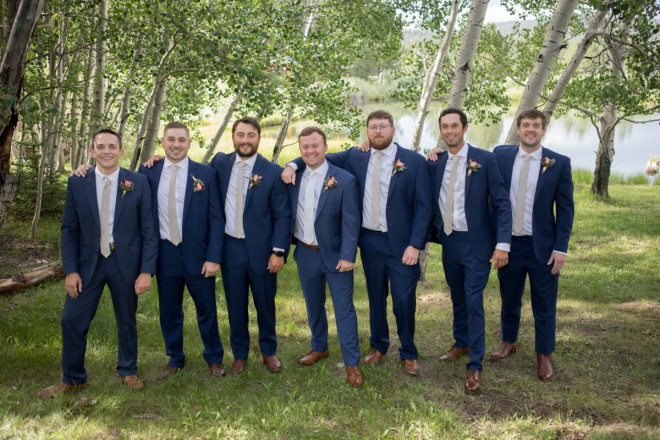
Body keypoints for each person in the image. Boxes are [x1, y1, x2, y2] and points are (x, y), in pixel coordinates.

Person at [282, 110, 432, 376]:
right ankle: (379, 346)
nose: (377, 132)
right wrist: (292, 165)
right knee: (376, 297)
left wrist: (415, 244)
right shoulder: (356, 156)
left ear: (393, 130)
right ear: (367, 131)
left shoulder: (413, 161)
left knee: (403, 300)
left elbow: (424, 207)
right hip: (370, 241)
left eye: (382, 127)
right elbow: (316, 156)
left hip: (402, 244)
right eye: (372, 127)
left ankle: (408, 351)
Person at [37, 129, 158, 397]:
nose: (106, 151)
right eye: (100, 147)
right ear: (92, 151)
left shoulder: (137, 181)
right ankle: (73, 377)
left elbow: (149, 229)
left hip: (125, 262)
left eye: (112, 146)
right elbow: (69, 229)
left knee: (126, 320)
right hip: (87, 264)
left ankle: (128, 370)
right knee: (71, 320)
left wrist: (146, 271)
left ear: (120, 150)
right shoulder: (78, 182)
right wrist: (71, 270)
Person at [427, 108, 511, 392]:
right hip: (450, 242)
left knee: (474, 300)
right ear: (440, 130)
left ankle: (475, 364)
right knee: (458, 295)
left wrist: (502, 244)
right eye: (445, 127)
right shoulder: (435, 161)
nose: (449, 131)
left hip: (477, 244)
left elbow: (501, 203)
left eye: (454, 126)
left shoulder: (485, 160)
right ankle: (460, 342)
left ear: (465, 127)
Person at [489, 109, 574, 381]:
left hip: (543, 248)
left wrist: (560, 249)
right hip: (509, 245)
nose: (530, 130)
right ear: (518, 128)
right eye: (526, 125)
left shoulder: (558, 162)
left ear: (543, 130)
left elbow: (565, 209)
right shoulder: (500, 155)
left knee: (544, 302)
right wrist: (437, 153)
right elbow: (468, 157)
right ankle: (508, 341)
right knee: (509, 297)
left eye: (536, 126)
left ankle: (544, 354)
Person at [139, 122, 226, 380]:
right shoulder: (148, 173)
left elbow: (216, 219)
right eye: (171, 140)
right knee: (169, 309)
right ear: (163, 142)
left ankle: (214, 357)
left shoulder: (205, 174)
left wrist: (213, 257)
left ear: (189, 143)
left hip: (198, 256)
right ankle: (175, 357)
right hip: (165, 253)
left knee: (207, 308)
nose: (176, 144)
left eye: (181, 140)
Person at [209, 117, 290, 375]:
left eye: (251, 135)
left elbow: (282, 216)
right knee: (235, 304)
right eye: (240, 135)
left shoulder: (272, 171)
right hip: (230, 248)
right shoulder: (220, 164)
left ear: (259, 138)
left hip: (262, 251)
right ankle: (240, 354)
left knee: (265, 303)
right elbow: (190, 173)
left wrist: (278, 251)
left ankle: (268, 351)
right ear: (233, 137)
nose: (245, 140)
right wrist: (155, 161)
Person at [288, 126, 363, 387]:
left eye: (315, 146)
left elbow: (351, 222)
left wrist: (348, 255)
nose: (310, 150)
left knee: (344, 310)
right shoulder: (292, 177)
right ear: (300, 150)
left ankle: (352, 363)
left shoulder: (344, 179)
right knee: (313, 305)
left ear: (325, 147)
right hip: (306, 253)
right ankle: (319, 347)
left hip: (336, 256)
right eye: (305, 147)